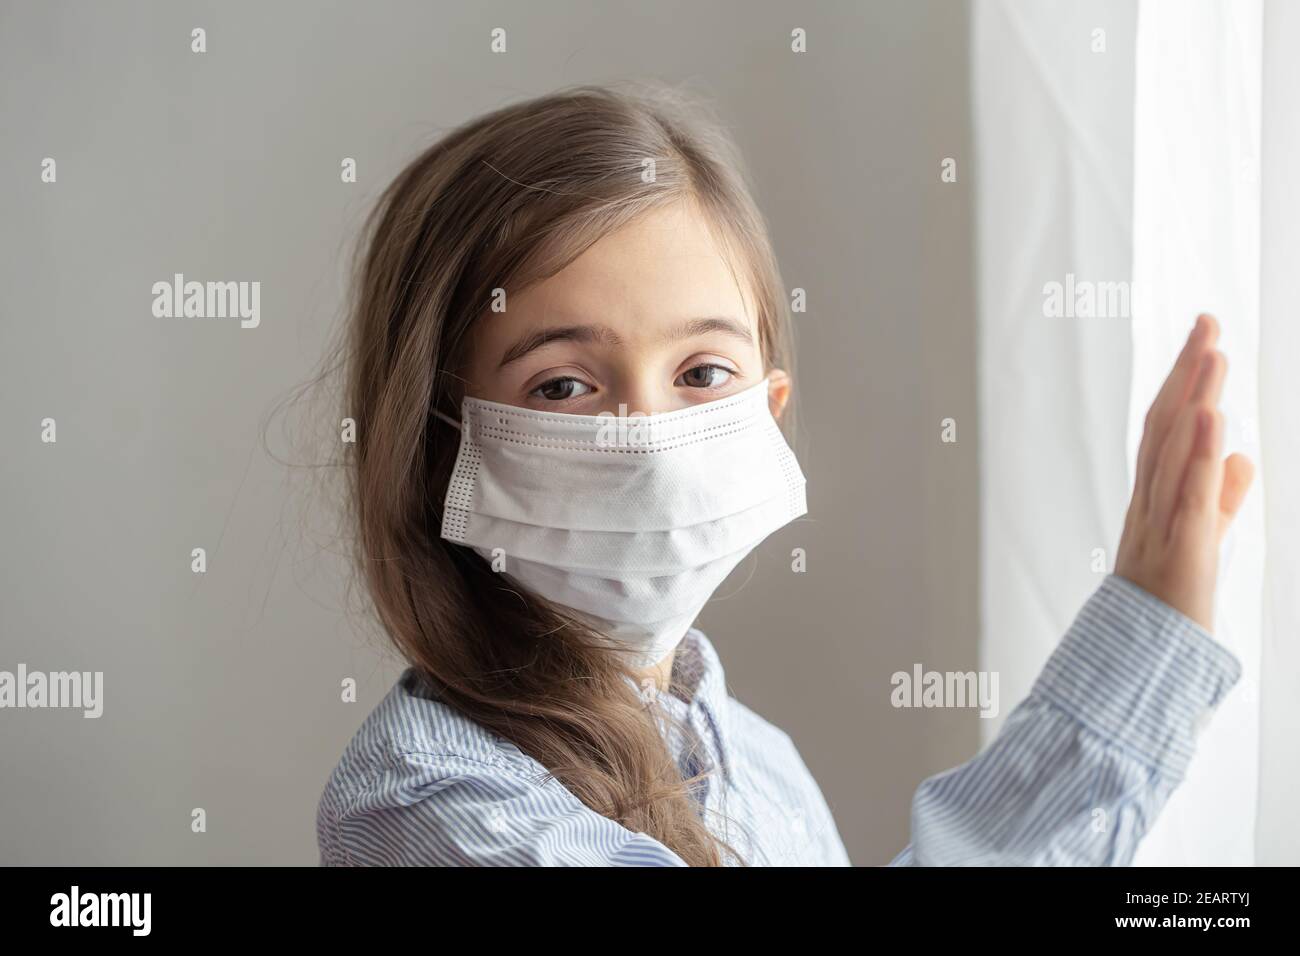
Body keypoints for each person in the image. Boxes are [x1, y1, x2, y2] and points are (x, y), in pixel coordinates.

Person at [315, 83, 1253, 866]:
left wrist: (1150, 629)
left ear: (766, 413)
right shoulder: (430, 806)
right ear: (437, 445)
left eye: (701, 374)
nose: (648, 438)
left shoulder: (759, 765)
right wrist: (1134, 665)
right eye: (563, 384)